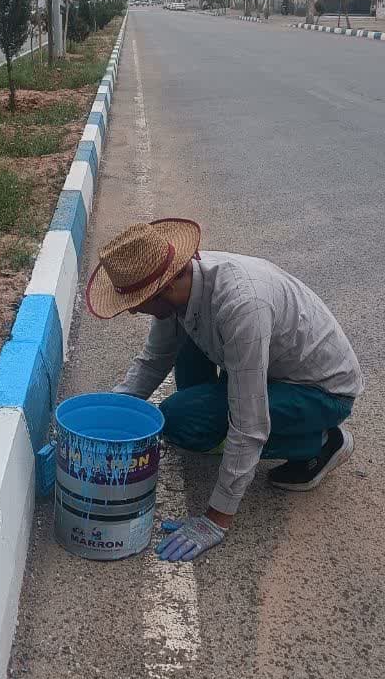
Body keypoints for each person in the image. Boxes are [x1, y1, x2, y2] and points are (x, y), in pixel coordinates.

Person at [86, 219, 363, 564]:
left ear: (165, 286)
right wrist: (102, 428)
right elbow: (154, 360)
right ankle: (218, 427)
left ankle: (321, 442)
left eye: (137, 301)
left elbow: (249, 426)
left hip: (318, 391)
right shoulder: (181, 287)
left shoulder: (242, 306)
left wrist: (216, 519)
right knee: (184, 361)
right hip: (264, 370)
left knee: (179, 420)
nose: (131, 310)